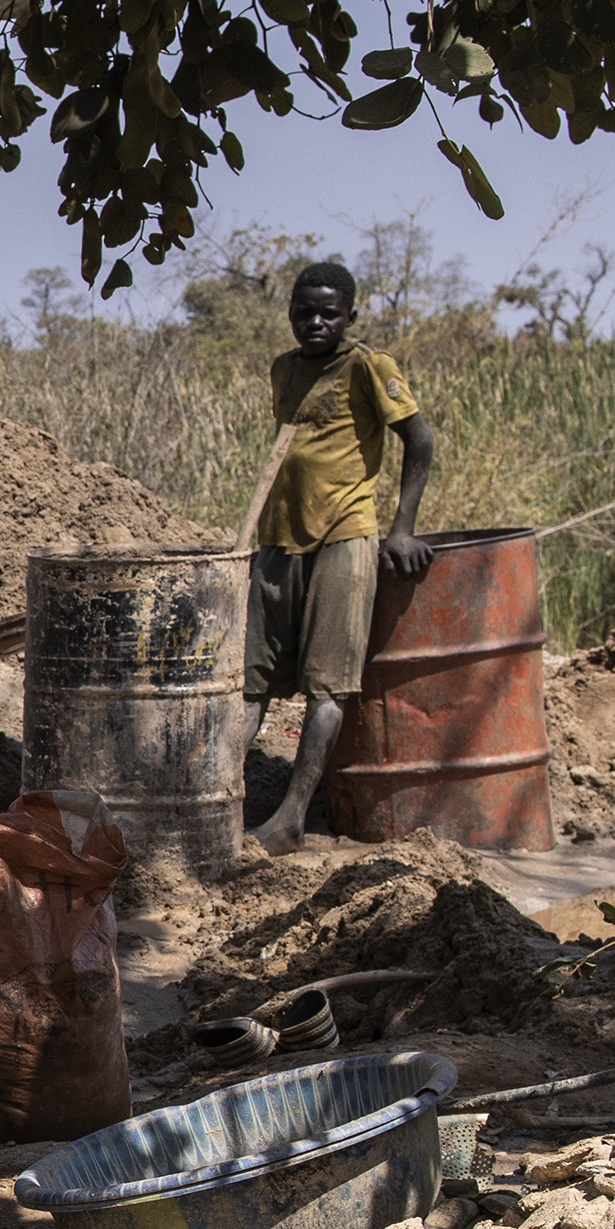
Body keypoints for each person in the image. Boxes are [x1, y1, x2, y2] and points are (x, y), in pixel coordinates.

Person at [246, 260, 436, 856]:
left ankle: (290, 818)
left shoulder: (368, 366)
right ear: (290, 315)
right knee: (249, 686)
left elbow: (421, 440)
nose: (316, 322)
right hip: (277, 542)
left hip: (344, 535)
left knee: (327, 687)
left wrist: (401, 529)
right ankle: (216, 804)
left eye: (329, 313)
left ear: (350, 316)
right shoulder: (283, 370)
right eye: (305, 312)